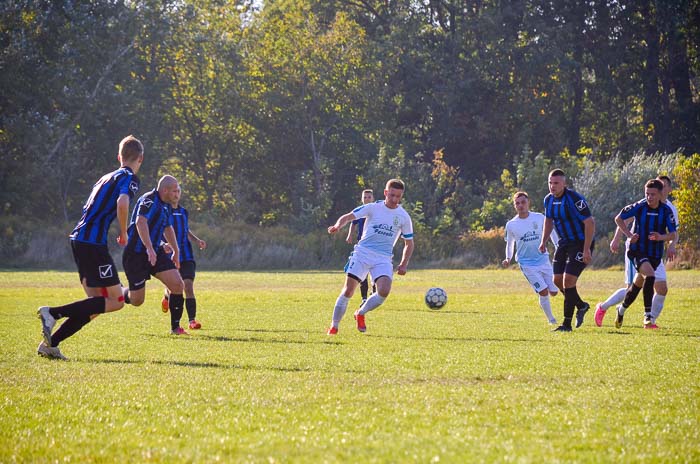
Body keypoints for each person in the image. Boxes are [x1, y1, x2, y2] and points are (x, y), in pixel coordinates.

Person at [36, 135, 144, 360]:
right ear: (140, 158)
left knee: (95, 306)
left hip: (79, 240)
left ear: (119, 156)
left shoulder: (105, 177)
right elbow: (123, 203)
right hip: (92, 244)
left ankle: (50, 345)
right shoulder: (129, 177)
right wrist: (124, 232)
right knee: (116, 302)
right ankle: (52, 312)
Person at [326, 179, 414, 335]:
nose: (394, 199)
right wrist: (337, 226)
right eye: (392, 195)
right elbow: (347, 217)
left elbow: (409, 243)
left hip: (383, 258)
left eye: (398, 197)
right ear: (386, 193)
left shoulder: (403, 216)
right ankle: (334, 326)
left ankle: (360, 313)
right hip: (362, 253)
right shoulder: (373, 208)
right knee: (348, 291)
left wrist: (403, 264)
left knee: (384, 291)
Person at [594, 175, 680, 328]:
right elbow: (620, 219)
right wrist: (626, 236)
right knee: (649, 277)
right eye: (647, 193)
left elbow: (673, 233)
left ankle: (621, 310)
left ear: (664, 192)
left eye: (653, 194)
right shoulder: (640, 206)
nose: (649, 197)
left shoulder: (668, 210)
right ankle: (648, 317)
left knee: (641, 286)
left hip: (655, 254)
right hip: (637, 250)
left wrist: (663, 238)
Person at [122, 175, 187, 335]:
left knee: (178, 284)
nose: (176, 194)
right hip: (136, 254)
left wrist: (176, 251)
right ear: (164, 190)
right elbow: (140, 222)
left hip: (155, 252)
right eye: (174, 191)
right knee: (137, 300)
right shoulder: (149, 200)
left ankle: (176, 328)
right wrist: (149, 248)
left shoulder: (166, 205)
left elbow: (168, 228)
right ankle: (119, 290)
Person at [538, 169, 595, 332]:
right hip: (564, 243)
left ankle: (566, 324)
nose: (552, 186)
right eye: (550, 182)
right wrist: (543, 241)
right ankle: (581, 305)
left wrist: (586, 249)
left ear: (564, 183)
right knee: (556, 281)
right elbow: (548, 221)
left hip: (580, 243)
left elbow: (590, 223)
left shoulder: (574, 199)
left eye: (556, 183)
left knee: (568, 281)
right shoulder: (548, 200)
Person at [502, 191, 559, 325]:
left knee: (554, 291)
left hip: (543, 260)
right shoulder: (511, 224)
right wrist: (508, 258)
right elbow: (510, 243)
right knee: (543, 291)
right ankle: (551, 320)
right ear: (514, 206)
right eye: (517, 203)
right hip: (527, 264)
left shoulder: (539, 217)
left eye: (523, 202)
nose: (521, 205)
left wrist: (558, 247)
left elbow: (551, 232)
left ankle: (543, 302)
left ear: (528, 203)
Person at [160, 189, 207, 330]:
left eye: (178, 191)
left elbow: (186, 231)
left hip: (186, 256)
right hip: (171, 256)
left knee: (188, 286)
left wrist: (197, 240)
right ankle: (167, 296)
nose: (175, 194)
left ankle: (192, 321)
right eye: (173, 191)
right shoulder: (163, 210)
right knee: (175, 287)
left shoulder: (184, 211)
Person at [345, 189, 375, 307]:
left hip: (374, 246)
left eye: (369, 197)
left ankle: (374, 292)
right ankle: (364, 298)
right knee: (363, 274)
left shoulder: (376, 210)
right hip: (362, 245)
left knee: (374, 272)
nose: (367, 199)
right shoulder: (360, 211)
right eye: (365, 197)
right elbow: (353, 223)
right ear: (362, 199)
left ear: (372, 198)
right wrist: (349, 235)